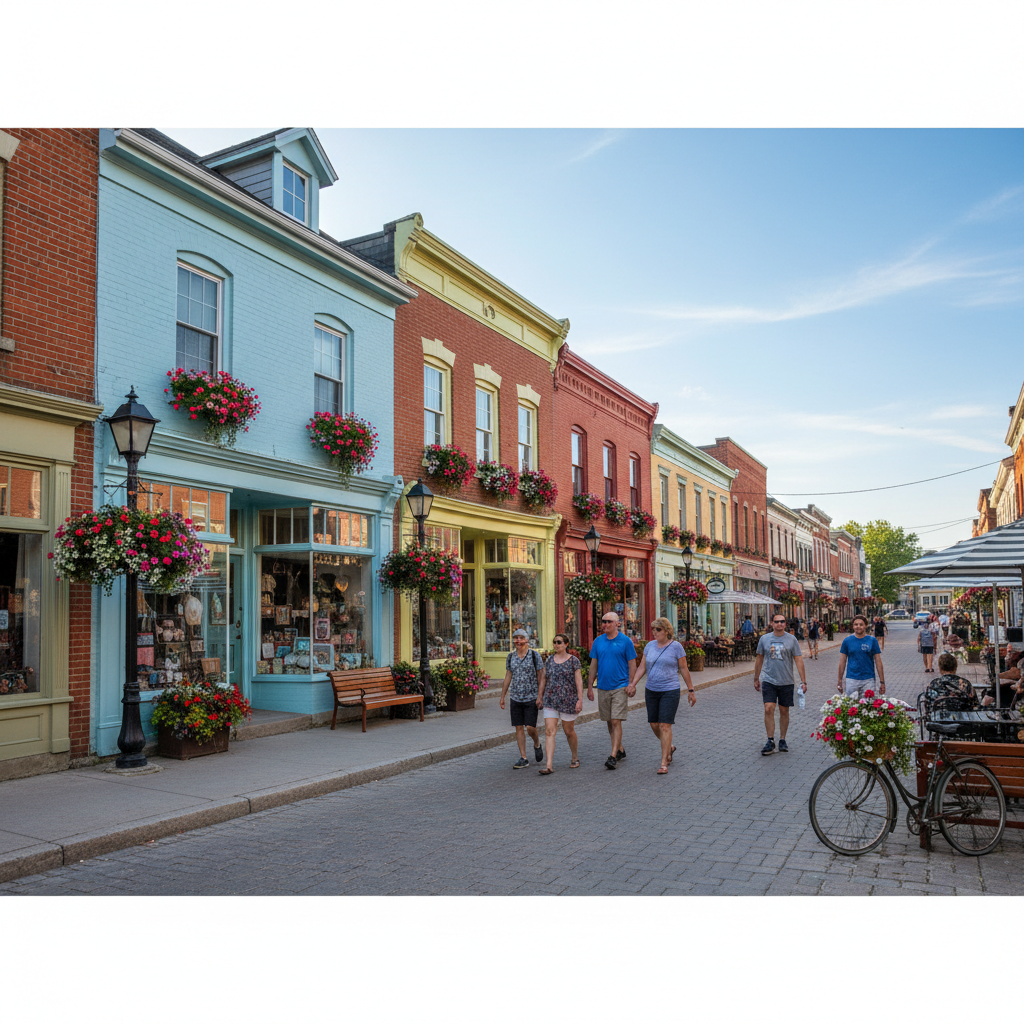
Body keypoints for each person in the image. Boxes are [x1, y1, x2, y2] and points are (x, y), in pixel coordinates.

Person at [630, 617, 695, 774]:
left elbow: (684, 668)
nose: (654, 632)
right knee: (654, 724)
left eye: (658, 630)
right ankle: (669, 747)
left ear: (667, 631)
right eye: (653, 630)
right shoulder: (650, 646)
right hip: (651, 690)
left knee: (665, 725)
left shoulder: (676, 647)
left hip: (670, 690)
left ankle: (664, 761)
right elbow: (641, 667)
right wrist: (633, 683)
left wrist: (691, 690)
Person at [586, 611, 637, 770]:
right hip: (603, 686)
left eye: (608, 621)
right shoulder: (598, 641)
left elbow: (632, 664)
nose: (605, 624)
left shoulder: (625, 641)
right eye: (603, 621)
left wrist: (631, 684)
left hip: (620, 687)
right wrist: (589, 686)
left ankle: (613, 755)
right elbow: (594, 664)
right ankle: (620, 749)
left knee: (616, 720)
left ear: (617, 624)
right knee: (609, 720)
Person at [754, 612, 807, 755]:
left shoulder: (792, 640)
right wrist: (756, 677)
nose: (779, 624)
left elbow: (798, 660)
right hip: (768, 679)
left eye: (782, 621)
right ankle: (770, 740)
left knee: (784, 710)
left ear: (785, 623)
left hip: (786, 681)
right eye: (776, 621)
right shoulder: (764, 639)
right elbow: (759, 659)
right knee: (768, 708)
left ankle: (782, 739)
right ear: (772, 623)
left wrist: (803, 681)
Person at [536, 634, 584, 774]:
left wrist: (580, 700)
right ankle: (549, 765)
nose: (556, 645)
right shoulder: (549, 660)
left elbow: (578, 681)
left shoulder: (574, 661)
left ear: (566, 644)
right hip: (550, 700)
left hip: (568, 701)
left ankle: (574, 756)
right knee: (549, 731)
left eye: (559, 642)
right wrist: (540, 696)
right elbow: (544, 679)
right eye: (554, 642)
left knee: (569, 731)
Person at [499, 629, 545, 768]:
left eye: (521, 638)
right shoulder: (511, 656)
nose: (518, 641)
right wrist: (503, 696)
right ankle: (523, 757)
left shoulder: (534, 655)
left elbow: (541, 676)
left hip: (531, 697)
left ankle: (537, 743)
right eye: (515, 638)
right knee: (518, 727)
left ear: (527, 640)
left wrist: (540, 696)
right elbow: (508, 675)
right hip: (515, 697)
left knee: (530, 728)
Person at [837, 615, 886, 700]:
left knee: (868, 707)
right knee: (851, 707)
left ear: (866, 626)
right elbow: (842, 662)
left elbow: (878, 661)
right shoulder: (847, 641)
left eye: (861, 624)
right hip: (851, 679)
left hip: (868, 679)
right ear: (853, 626)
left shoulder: (872, 640)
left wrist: (882, 682)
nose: (858, 627)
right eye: (856, 624)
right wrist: (839, 680)